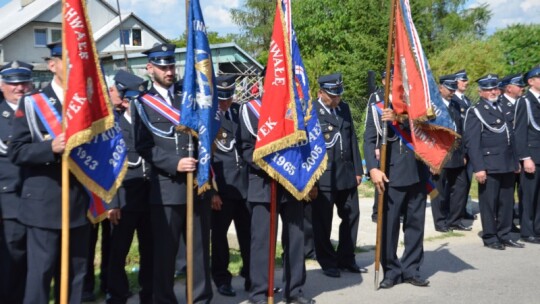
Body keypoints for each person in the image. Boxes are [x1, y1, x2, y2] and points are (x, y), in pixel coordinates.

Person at [9, 41, 92, 303]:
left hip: (80, 203)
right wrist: (50, 148)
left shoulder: (88, 102)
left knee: (77, 274)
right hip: (44, 205)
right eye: (67, 62)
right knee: (41, 275)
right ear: (52, 65)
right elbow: (17, 152)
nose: (73, 68)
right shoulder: (33, 103)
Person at [132, 43, 213, 303]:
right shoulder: (142, 104)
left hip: (196, 187)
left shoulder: (188, 98)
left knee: (199, 252)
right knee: (164, 255)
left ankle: (199, 299)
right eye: (163, 66)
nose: (169, 71)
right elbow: (144, 147)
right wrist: (174, 163)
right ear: (150, 68)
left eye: (171, 66)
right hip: (166, 189)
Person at [238, 87, 315, 304]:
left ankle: (295, 290)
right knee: (262, 242)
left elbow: (307, 144)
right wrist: (270, 165)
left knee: (295, 239)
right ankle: (260, 292)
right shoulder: (250, 109)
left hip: (291, 184)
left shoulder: (296, 108)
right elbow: (244, 147)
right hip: (263, 184)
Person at [363, 80, 430, 289]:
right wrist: (373, 168)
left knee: (415, 225)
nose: (395, 83)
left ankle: (411, 269)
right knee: (389, 226)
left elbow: (429, 126)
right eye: (391, 79)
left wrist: (399, 118)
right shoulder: (377, 106)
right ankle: (391, 271)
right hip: (391, 173)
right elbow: (369, 139)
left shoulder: (417, 103)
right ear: (384, 82)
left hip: (418, 171)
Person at [106, 70, 153, 303]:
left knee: (149, 251)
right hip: (123, 200)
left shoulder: (147, 124)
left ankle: (148, 293)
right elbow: (109, 168)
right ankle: (117, 294)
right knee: (118, 252)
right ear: (126, 101)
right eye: (135, 99)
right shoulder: (113, 127)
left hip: (149, 199)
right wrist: (112, 203)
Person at [311, 73, 365, 278]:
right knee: (323, 222)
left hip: (346, 174)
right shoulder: (312, 112)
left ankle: (346, 257)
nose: (337, 99)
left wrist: (358, 170)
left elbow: (351, 139)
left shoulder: (344, 108)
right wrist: (312, 182)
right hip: (324, 177)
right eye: (333, 95)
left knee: (351, 216)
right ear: (321, 93)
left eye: (338, 94)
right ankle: (327, 261)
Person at [464, 74, 522, 250]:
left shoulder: (503, 107)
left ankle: (505, 234)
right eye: (488, 89)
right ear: (480, 92)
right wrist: (479, 168)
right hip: (489, 164)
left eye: (495, 88)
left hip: (506, 162)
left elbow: (511, 137)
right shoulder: (476, 111)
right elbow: (472, 143)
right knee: (489, 202)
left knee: (507, 201)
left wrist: (515, 161)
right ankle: (490, 236)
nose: (493, 92)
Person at [210, 75, 252, 297]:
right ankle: (221, 277)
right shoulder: (209, 116)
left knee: (248, 235)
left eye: (229, 97)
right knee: (219, 237)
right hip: (222, 187)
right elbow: (205, 156)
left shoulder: (239, 111)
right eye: (221, 98)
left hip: (244, 185)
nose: (225, 102)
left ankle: (250, 276)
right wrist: (212, 191)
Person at [0, 60, 33, 303]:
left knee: (38, 263)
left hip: (39, 199)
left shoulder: (41, 112)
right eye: (13, 84)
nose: (19, 88)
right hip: (10, 200)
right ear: (2, 86)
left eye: (23, 82)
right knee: (11, 263)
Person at [430, 75, 471, 232]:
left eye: (454, 88)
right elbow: (429, 134)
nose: (452, 91)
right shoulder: (433, 106)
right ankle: (440, 222)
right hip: (439, 155)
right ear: (441, 88)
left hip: (457, 154)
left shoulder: (456, 104)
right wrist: (431, 160)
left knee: (460, 187)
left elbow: (460, 129)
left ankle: (455, 219)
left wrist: (464, 153)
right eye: (449, 88)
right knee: (438, 191)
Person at [514, 66, 540, 244]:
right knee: (529, 195)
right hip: (532, 155)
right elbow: (520, 131)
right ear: (531, 81)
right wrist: (525, 157)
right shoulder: (524, 101)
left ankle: (538, 228)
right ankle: (527, 230)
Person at [499, 73, 527, 232]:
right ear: (509, 88)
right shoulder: (500, 104)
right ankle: (506, 222)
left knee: (523, 190)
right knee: (506, 193)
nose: (522, 88)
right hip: (507, 156)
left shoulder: (523, 103)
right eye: (519, 85)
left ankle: (523, 220)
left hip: (523, 154)